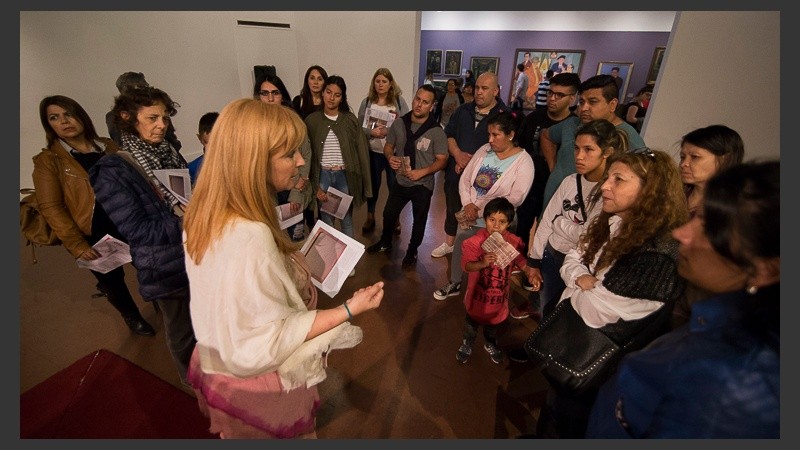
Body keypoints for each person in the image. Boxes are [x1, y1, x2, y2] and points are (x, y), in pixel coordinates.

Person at [183, 99, 385, 439]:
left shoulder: (204, 213)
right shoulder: (250, 235)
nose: (301, 161)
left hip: (218, 362)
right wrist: (350, 308)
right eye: (290, 153)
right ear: (255, 160)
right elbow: (273, 336)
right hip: (257, 383)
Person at [586, 160, 779, 438]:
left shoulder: (732, 387)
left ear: (766, 269)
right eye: (696, 217)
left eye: (709, 226)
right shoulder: (717, 321)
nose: (681, 233)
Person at [534, 149, 688, 438]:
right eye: (608, 177)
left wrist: (576, 287)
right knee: (555, 408)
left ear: (651, 190)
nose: (605, 186)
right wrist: (580, 279)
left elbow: (595, 311)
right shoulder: (612, 222)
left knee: (572, 424)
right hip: (577, 350)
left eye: (619, 179)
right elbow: (573, 257)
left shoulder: (657, 255)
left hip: (602, 367)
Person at [89, 86, 197, 385]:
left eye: (165, 117)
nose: (161, 125)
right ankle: (191, 382)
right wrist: (189, 221)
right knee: (180, 330)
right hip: (162, 265)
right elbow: (137, 231)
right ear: (128, 118)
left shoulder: (168, 152)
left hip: (192, 252)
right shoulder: (113, 171)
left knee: (200, 319)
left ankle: (209, 371)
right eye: (152, 118)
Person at [32, 95, 155, 337]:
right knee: (112, 279)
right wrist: (76, 244)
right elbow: (51, 207)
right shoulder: (48, 161)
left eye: (68, 114)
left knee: (150, 264)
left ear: (81, 116)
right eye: (54, 118)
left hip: (129, 221)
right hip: (94, 230)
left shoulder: (107, 146)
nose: (64, 121)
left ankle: (161, 300)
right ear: (49, 125)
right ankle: (131, 315)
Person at [517, 119, 628, 324]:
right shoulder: (570, 181)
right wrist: (533, 260)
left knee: (571, 317)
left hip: (584, 265)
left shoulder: (610, 192)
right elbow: (546, 221)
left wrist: (559, 223)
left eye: (588, 149)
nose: (579, 156)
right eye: (576, 148)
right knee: (547, 311)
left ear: (607, 152)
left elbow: (590, 235)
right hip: (553, 256)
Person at [433, 111, 534, 301]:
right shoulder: (485, 149)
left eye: (496, 135)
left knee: (492, 262)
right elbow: (465, 179)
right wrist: (468, 203)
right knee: (461, 248)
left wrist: (480, 209)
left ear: (510, 135)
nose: (490, 139)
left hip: (496, 222)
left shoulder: (523, 161)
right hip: (470, 214)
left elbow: (516, 197)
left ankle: (487, 295)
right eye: (489, 134)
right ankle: (455, 282)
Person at [671, 124, 745, 328]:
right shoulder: (675, 194)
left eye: (695, 157)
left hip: (694, 300)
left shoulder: (733, 210)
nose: (684, 164)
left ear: (724, 159)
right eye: (683, 157)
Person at [365, 85, 448, 267]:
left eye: (425, 102)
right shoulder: (399, 123)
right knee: (388, 214)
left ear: (432, 106)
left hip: (423, 184)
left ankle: (412, 251)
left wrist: (422, 172)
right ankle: (385, 242)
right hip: (401, 181)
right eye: (417, 99)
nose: (419, 104)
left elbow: (442, 160)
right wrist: (390, 157)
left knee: (419, 221)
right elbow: (389, 146)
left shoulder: (436, 131)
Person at [540, 74, 646, 215]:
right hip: (551, 206)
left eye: (592, 102)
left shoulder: (627, 137)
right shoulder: (572, 124)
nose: (584, 108)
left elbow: (642, 182)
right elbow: (546, 136)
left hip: (586, 213)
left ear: (612, 104)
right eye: (582, 102)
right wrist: (554, 167)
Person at [511, 72, 581, 279]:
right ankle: (518, 263)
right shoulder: (534, 118)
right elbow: (520, 149)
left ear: (572, 98)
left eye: (559, 95)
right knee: (521, 225)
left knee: (548, 229)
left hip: (557, 189)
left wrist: (554, 170)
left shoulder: (575, 125)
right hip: (529, 184)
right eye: (550, 93)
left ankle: (538, 271)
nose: (552, 98)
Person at [430, 72, 507, 260]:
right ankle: (449, 243)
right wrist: (457, 154)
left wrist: (471, 165)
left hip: (486, 178)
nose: (479, 92)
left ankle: (479, 250)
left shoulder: (505, 116)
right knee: (452, 207)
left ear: (495, 91)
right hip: (456, 171)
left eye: (484, 88)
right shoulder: (462, 110)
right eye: (477, 87)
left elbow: (506, 149)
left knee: (481, 214)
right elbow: (449, 135)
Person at [305, 75, 372, 263]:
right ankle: (331, 261)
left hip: (344, 176)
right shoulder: (312, 121)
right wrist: (314, 186)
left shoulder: (350, 120)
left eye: (337, 94)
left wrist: (365, 184)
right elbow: (307, 155)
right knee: (326, 220)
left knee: (346, 219)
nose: (332, 98)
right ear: (323, 93)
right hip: (323, 176)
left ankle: (348, 261)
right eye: (328, 92)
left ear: (342, 98)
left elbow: (362, 153)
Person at [455, 197, 528, 365]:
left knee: (492, 327)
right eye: (492, 220)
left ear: (509, 223)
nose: (496, 226)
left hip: (498, 300)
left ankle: (490, 343)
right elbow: (466, 266)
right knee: (471, 324)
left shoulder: (513, 242)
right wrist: (482, 263)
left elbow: (520, 260)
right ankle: (467, 343)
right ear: (485, 219)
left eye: (502, 222)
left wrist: (530, 271)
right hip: (476, 298)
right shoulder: (474, 242)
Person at [255, 71, 314, 242]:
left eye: (275, 93)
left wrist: (297, 190)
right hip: (268, 192)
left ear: (282, 95)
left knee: (296, 236)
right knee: (274, 238)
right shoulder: (253, 127)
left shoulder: (293, 122)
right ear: (258, 96)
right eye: (265, 93)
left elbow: (305, 155)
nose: (270, 99)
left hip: (292, 188)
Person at [357, 68, 409, 235]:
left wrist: (390, 131)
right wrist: (371, 132)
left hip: (393, 153)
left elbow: (407, 124)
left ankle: (395, 218)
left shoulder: (398, 102)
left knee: (395, 186)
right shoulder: (367, 102)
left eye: (384, 81)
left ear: (390, 83)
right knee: (373, 186)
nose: (380, 84)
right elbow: (358, 127)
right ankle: (370, 216)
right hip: (373, 152)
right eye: (377, 81)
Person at [105, 71, 181, 152]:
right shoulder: (113, 117)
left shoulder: (158, 109)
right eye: (152, 118)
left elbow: (172, 139)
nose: (162, 125)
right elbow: (119, 143)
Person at [187, 111, 219, 186]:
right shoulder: (192, 168)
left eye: (215, 142)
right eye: (206, 142)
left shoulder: (235, 163)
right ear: (199, 138)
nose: (209, 148)